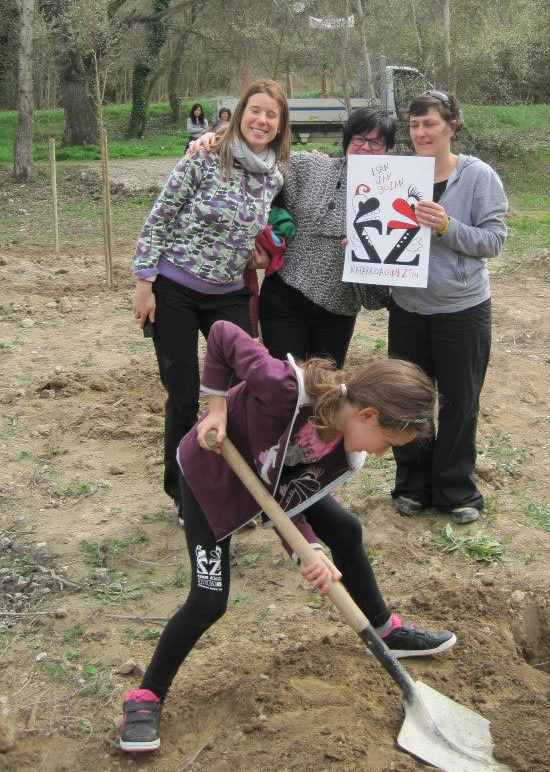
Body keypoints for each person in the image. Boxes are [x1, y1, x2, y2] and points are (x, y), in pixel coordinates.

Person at [118, 320, 457, 754]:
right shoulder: (284, 390)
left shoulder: (340, 451)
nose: (381, 453)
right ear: (368, 415)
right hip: (212, 480)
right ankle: (146, 695)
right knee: (208, 600)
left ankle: (383, 630)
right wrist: (217, 408)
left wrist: (309, 550)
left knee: (345, 529)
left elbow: (287, 500)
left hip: (267, 482)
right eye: (387, 443)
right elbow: (222, 334)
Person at [132, 80, 292, 523]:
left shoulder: (274, 175)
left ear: (281, 125)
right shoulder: (203, 157)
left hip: (228, 293)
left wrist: (260, 253)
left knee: (242, 391)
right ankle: (185, 494)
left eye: (272, 115)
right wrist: (144, 282)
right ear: (240, 113)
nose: (261, 120)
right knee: (184, 395)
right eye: (255, 110)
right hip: (176, 289)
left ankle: (237, 489)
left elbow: (258, 227)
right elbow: (160, 216)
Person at [189, 107, 394, 368]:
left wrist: (368, 259)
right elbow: (256, 158)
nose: (365, 147)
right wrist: (218, 140)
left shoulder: (392, 196)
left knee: (324, 386)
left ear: (388, 149)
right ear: (347, 140)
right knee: (284, 383)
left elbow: (378, 297)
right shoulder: (310, 166)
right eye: (359, 139)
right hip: (285, 298)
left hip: (340, 308)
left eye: (376, 142)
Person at [388, 90, 508, 524]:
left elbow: (494, 240)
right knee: (407, 399)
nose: (421, 133)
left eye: (430, 124)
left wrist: (448, 227)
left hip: (462, 309)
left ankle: (456, 490)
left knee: (460, 400)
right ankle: (413, 486)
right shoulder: (398, 174)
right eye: (414, 125)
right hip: (407, 308)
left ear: (452, 127)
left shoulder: (478, 176)